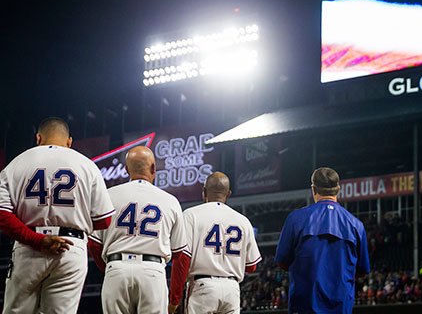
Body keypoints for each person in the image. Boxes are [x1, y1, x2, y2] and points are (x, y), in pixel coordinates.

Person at [0, 117, 115, 313]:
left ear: (38, 138)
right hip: (71, 247)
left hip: (29, 246)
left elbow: (2, 215)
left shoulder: (16, 164)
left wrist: (38, 239)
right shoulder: (87, 166)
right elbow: (104, 220)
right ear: (69, 142)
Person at [88, 146, 190, 314]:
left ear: (127, 169)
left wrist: (110, 268)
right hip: (152, 271)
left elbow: (93, 244)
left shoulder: (109, 195)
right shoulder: (170, 201)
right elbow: (180, 254)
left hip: (117, 268)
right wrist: (175, 298)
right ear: (153, 168)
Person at [275, 167, 370, 313]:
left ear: (313, 189)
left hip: (304, 305)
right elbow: (362, 270)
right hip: (341, 307)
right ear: (338, 189)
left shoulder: (296, 219)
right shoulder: (356, 224)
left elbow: (282, 261)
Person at [183, 171, 262, 314]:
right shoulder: (243, 221)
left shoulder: (191, 214)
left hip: (203, 286)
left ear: (204, 192)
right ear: (229, 193)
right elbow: (252, 266)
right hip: (231, 288)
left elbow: (183, 258)